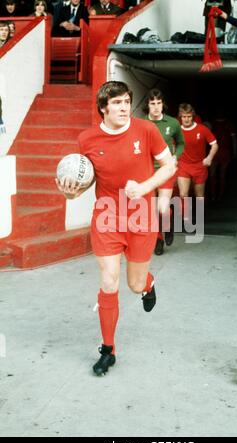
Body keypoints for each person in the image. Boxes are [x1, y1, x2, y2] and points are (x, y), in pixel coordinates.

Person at [55, 81, 176, 376]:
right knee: (109, 281)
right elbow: (86, 183)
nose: (124, 108)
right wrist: (71, 193)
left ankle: (147, 284)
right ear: (103, 108)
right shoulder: (87, 139)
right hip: (107, 217)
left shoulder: (146, 130)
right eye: (117, 103)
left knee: (133, 284)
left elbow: (169, 166)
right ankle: (108, 349)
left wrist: (145, 187)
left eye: (126, 102)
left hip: (141, 217)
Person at [143, 89, 185, 256]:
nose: (155, 107)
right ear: (148, 105)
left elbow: (181, 143)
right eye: (152, 103)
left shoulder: (173, 123)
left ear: (163, 104)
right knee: (152, 209)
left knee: (163, 207)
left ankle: (168, 227)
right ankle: (158, 239)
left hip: (166, 169)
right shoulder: (141, 123)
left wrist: (175, 156)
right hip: (147, 171)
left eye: (158, 103)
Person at [177, 103, 218, 214]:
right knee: (183, 194)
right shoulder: (177, 130)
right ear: (180, 116)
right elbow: (170, 145)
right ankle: (186, 219)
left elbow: (214, 144)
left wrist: (209, 157)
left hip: (199, 166)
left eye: (189, 116)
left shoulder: (202, 129)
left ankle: (199, 220)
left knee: (199, 196)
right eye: (184, 116)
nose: (186, 119)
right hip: (183, 165)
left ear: (193, 116)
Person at [209, 107, 237, 201]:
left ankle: (217, 196)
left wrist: (234, 151)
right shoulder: (213, 124)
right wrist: (235, 152)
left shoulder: (217, 124)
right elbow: (234, 140)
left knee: (217, 175)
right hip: (217, 153)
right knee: (219, 175)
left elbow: (233, 139)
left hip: (221, 152)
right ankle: (216, 196)